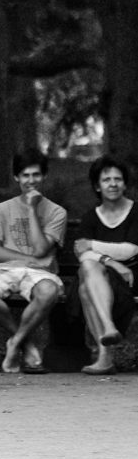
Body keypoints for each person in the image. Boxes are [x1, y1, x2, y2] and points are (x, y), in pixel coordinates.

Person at [0, 148, 67, 374]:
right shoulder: (0, 210)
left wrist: (32, 209)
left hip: (41, 273)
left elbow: (42, 248)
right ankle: (25, 343)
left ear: (44, 176)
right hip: (6, 269)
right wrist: (29, 259)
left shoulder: (56, 212)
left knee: (48, 291)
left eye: (36, 175)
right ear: (16, 177)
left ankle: (14, 343)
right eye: (25, 175)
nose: (31, 181)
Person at [73, 155, 138, 376]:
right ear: (97, 186)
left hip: (130, 279)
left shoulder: (135, 212)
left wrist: (92, 245)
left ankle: (104, 356)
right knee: (88, 271)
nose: (113, 184)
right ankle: (108, 327)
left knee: (86, 284)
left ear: (125, 184)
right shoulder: (90, 217)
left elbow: (131, 250)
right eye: (106, 180)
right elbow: (82, 255)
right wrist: (111, 262)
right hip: (105, 277)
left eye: (117, 179)